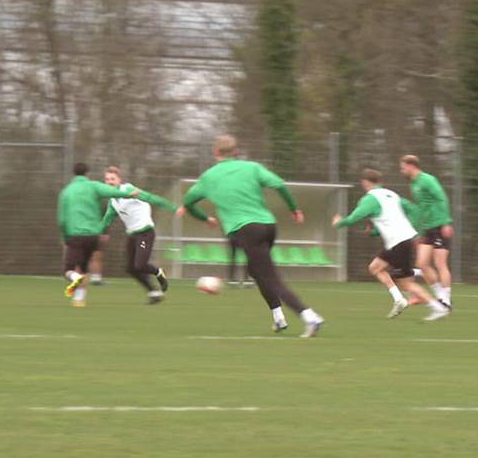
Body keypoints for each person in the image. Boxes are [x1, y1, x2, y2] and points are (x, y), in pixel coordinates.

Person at [178, 135, 324, 338]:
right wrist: (294, 209)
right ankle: (278, 317)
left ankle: (310, 317)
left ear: (215, 153)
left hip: (246, 230)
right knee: (255, 271)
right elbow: (279, 185)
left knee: (270, 278)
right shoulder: (252, 167)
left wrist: (206, 219)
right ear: (236, 152)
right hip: (268, 226)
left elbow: (187, 203)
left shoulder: (209, 177)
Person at [333, 169, 449, 321]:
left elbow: (356, 216)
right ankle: (399, 299)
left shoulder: (370, 198)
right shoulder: (392, 194)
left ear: (365, 182)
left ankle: (438, 307)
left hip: (397, 242)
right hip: (399, 241)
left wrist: (340, 223)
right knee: (375, 267)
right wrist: (409, 229)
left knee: (406, 284)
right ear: (380, 181)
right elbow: (413, 210)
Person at [57, 163, 141, 307]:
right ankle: (79, 299)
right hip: (93, 236)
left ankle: (75, 279)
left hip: (75, 235)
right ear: (87, 173)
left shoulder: (66, 192)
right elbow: (111, 191)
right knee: (84, 267)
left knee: (68, 270)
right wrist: (128, 194)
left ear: (73, 174)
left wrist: (64, 237)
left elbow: (62, 220)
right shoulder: (94, 186)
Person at [100, 166, 176, 304]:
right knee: (130, 269)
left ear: (119, 180)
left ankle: (158, 272)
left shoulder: (129, 189)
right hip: (132, 236)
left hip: (145, 232)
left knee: (140, 265)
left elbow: (150, 198)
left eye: (112, 179)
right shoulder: (112, 200)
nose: (109, 182)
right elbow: (107, 219)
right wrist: (97, 231)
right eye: (107, 179)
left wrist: (173, 208)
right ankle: (154, 292)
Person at [399, 155, 454, 308]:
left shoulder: (428, 179)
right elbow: (421, 209)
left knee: (440, 263)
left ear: (411, 166)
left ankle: (447, 299)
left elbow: (442, 198)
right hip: (427, 228)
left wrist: (446, 222)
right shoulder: (413, 184)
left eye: (403, 168)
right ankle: (440, 295)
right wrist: (420, 232)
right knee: (421, 263)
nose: (402, 171)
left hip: (439, 225)